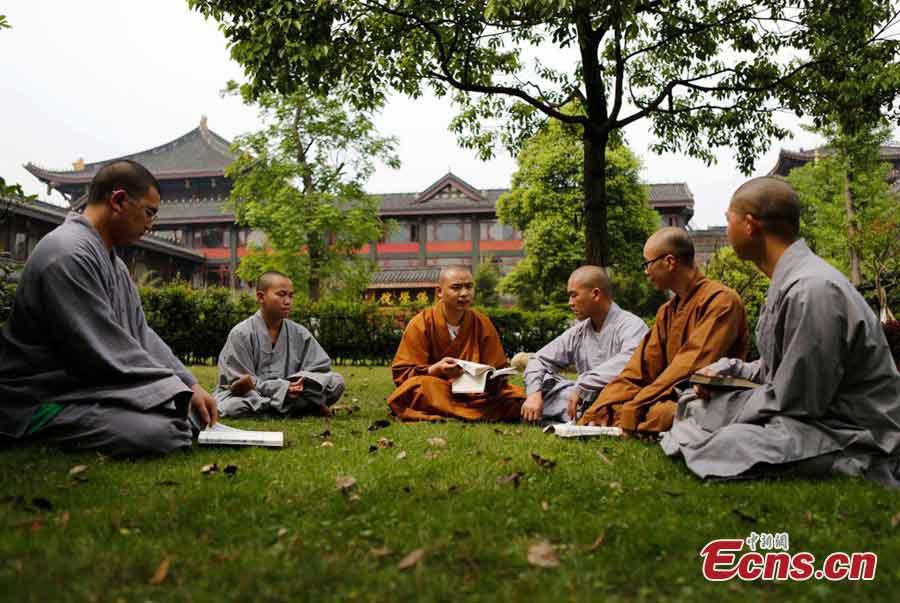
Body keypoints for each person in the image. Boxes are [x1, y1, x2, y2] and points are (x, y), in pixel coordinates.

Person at [662, 177, 900, 487]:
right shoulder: (792, 281)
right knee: (696, 408)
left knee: (729, 439)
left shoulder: (812, 289)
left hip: (855, 432)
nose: (728, 226)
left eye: (728, 218)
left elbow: (799, 400)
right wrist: (727, 372)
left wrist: (729, 407)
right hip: (813, 415)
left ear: (750, 225)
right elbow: (778, 365)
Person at [0, 160, 217, 456]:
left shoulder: (112, 263)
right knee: (166, 431)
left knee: (181, 413)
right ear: (117, 201)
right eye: (149, 212)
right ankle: (35, 428)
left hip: (84, 391)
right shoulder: (67, 253)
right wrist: (175, 390)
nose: (151, 224)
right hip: (43, 397)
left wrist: (188, 382)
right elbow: (101, 351)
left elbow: (141, 334)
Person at [579, 227, 749, 432]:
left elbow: (689, 367)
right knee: (619, 407)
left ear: (669, 262)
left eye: (647, 264)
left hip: (705, 397)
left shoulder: (721, 301)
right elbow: (639, 369)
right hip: (665, 394)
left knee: (664, 413)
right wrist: (601, 405)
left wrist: (636, 404)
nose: (645, 271)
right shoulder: (667, 312)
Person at [387, 265, 525, 421]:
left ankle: (451, 413)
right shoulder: (421, 323)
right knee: (416, 388)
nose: (465, 293)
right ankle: (474, 413)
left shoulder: (482, 323)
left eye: (469, 287)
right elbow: (402, 373)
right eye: (456, 288)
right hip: (440, 389)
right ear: (439, 292)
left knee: (517, 396)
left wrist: (492, 377)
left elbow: (497, 368)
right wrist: (435, 369)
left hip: (477, 394)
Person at [521, 266, 648, 423]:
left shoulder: (631, 325)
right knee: (544, 384)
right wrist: (534, 394)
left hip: (618, 398)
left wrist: (584, 385)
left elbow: (631, 363)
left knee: (625, 405)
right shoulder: (579, 331)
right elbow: (538, 360)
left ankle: (590, 415)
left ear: (595, 294)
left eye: (574, 296)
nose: (570, 303)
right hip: (581, 398)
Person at [213, 271, 344, 417]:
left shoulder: (299, 333)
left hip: (293, 393)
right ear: (261, 297)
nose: (288, 301)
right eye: (281, 295)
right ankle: (303, 406)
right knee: (230, 406)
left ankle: (280, 408)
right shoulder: (241, 334)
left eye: (291, 296)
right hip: (254, 395)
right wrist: (282, 388)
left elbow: (319, 368)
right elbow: (240, 383)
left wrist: (298, 384)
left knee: (336, 381)